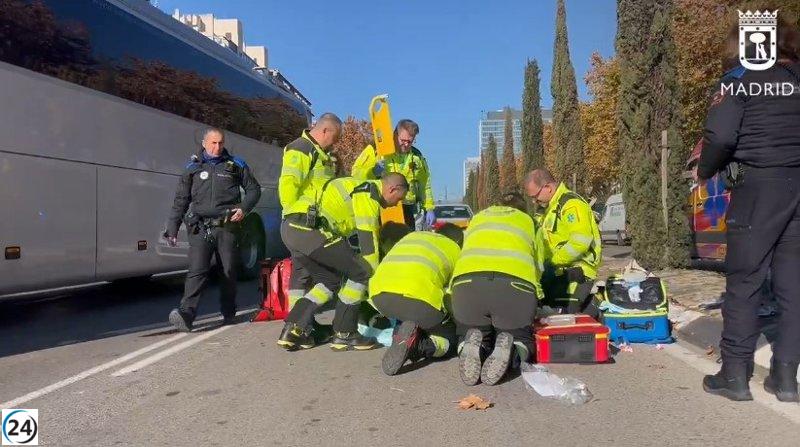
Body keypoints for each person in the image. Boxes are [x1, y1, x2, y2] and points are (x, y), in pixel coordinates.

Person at [699, 17, 800, 403]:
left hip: (759, 186)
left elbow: (721, 135)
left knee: (745, 282)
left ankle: (734, 375)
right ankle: (786, 378)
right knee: (793, 287)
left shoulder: (739, 78)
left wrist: (705, 170)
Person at [277, 173, 409, 351]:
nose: (396, 204)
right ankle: (344, 333)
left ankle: (292, 329)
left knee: (329, 281)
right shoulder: (368, 193)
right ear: (392, 189)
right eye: (398, 198)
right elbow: (368, 242)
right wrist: (376, 281)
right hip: (310, 230)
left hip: (290, 229)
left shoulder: (357, 185)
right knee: (361, 271)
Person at [166, 128, 261, 332]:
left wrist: (244, 209)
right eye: (213, 143)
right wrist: (172, 228)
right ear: (204, 143)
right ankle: (186, 315)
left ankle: (228, 312)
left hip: (227, 226)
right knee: (196, 272)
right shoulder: (192, 168)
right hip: (199, 228)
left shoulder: (236, 165)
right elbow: (181, 200)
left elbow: (254, 190)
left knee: (227, 271)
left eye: (220, 143)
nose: (217, 147)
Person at [451, 192, 546, 386]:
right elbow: (540, 265)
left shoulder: (477, 218)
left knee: (470, 331)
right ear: (523, 209)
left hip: (466, 286)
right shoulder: (529, 222)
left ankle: (470, 347)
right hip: (514, 287)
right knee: (521, 337)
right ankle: (513, 350)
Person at [369, 223, 464, 376]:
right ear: (459, 241)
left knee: (407, 313)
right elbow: (453, 294)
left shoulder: (412, 236)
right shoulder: (455, 249)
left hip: (380, 295)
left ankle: (400, 336)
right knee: (450, 340)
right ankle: (419, 346)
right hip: (419, 300)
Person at [279, 113, 342, 311]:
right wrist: (295, 218)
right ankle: (297, 321)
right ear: (325, 131)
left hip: (314, 222)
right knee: (306, 272)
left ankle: (298, 321)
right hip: (302, 222)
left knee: (305, 271)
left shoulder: (322, 154)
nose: (334, 144)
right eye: (334, 139)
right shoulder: (301, 149)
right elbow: (289, 187)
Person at [525, 169, 601, 313]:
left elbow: (581, 241)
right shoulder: (548, 209)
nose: (534, 201)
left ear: (548, 188)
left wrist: (553, 261)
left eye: (535, 196)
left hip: (577, 273)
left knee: (564, 318)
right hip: (555, 273)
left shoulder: (571, 204)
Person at [351, 119, 435, 229]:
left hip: (407, 209)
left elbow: (425, 185)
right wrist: (372, 172)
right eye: (403, 140)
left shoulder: (417, 157)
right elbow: (356, 174)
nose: (406, 144)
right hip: (383, 206)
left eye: (410, 141)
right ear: (395, 134)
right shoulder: (378, 150)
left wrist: (429, 208)